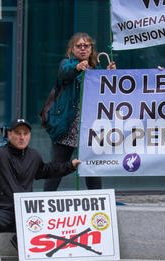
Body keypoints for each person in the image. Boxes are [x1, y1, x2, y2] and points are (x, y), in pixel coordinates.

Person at [0, 116, 81, 261]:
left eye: (25, 134)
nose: (22, 137)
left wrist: (71, 165)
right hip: (0, 209)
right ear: (9, 134)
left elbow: (47, 170)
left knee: (52, 218)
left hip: (25, 211)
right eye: (18, 133)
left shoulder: (34, 156)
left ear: (29, 135)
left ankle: (20, 239)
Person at [43, 32, 116, 192]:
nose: (83, 49)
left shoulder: (96, 68)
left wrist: (110, 74)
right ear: (72, 49)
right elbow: (65, 72)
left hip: (90, 126)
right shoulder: (66, 63)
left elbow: (106, 93)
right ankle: (45, 199)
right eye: (79, 46)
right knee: (58, 166)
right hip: (68, 125)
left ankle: (97, 201)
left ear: (91, 49)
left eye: (86, 46)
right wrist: (77, 67)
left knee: (92, 166)